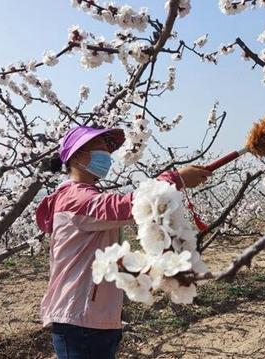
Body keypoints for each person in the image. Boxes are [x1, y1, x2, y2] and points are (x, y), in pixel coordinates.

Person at [35, 126, 211, 359]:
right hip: (79, 319)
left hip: (95, 318)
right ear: (76, 155)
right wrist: (175, 179)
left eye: (108, 150)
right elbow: (127, 207)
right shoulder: (74, 198)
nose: (106, 156)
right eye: (99, 149)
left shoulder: (84, 194)